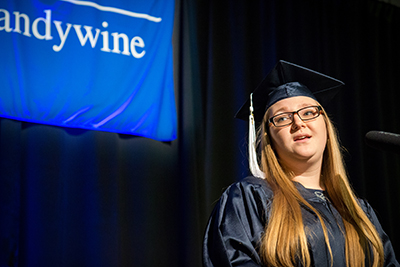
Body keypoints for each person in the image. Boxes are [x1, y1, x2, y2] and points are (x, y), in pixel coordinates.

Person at [202, 60, 399, 267]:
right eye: (282, 118)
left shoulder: (360, 211)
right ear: (269, 138)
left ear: (326, 126)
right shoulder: (250, 199)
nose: (298, 123)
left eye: (308, 112)